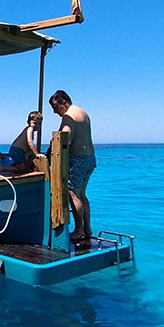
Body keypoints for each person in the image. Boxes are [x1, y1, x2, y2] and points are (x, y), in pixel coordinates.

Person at [49, 89, 96, 243]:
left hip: (78, 160)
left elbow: (66, 139)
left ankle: (79, 230)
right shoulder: (83, 112)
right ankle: (87, 228)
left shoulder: (69, 116)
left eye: (56, 108)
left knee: (72, 194)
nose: (55, 112)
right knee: (82, 195)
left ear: (64, 103)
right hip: (89, 158)